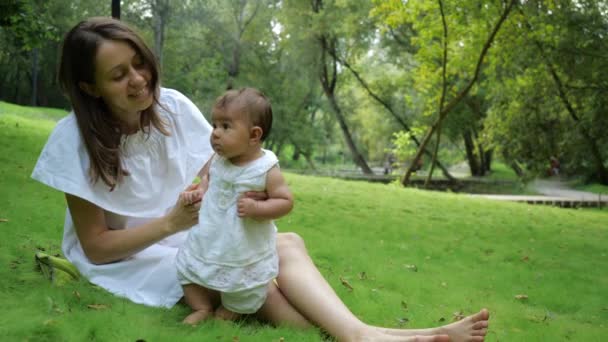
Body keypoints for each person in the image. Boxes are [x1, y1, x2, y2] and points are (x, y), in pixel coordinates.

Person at [31, 17, 490, 342]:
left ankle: (367, 336)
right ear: (90, 88)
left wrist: (211, 190)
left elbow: (213, 158)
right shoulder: (74, 141)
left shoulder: (168, 106)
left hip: (182, 234)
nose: (138, 79)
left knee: (284, 244)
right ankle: (379, 337)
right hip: (127, 258)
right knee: (251, 275)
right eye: (118, 75)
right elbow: (95, 247)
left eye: (139, 63)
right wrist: (173, 223)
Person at [176, 88, 292, 325]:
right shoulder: (219, 160)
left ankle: (232, 310)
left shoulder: (265, 168)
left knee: (243, 287)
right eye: (214, 125)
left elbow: (285, 201)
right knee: (187, 272)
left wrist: (258, 209)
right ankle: (202, 307)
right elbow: (209, 180)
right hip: (209, 238)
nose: (215, 133)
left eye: (225, 126)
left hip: (242, 245)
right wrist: (199, 191)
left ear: (253, 135)